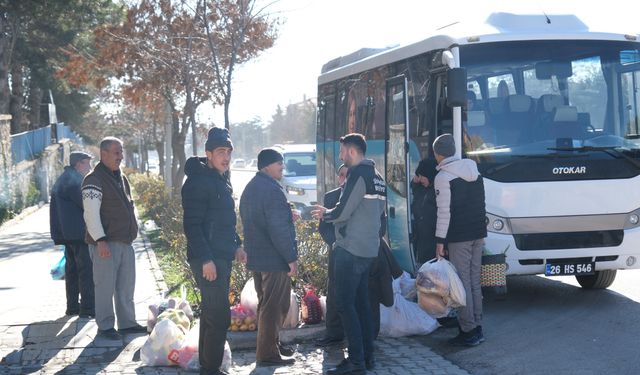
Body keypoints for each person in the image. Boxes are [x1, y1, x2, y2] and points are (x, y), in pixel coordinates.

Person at [312, 133, 387, 375]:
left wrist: (325, 213)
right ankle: (368, 358)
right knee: (361, 305)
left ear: (352, 152)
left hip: (351, 249)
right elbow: (377, 214)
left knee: (345, 303)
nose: (341, 155)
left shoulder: (358, 174)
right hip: (368, 250)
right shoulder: (377, 177)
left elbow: (343, 211)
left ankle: (356, 362)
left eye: (343, 151)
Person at [182, 127, 246, 375]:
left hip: (221, 255)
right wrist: (206, 259)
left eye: (229, 151)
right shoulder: (197, 182)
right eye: (221, 151)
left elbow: (225, 220)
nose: (226, 156)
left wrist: (237, 245)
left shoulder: (221, 179)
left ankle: (207, 367)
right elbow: (192, 226)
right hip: (207, 258)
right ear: (208, 154)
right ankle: (210, 368)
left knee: (211, 312)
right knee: (219, 316)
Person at [82, 137, 146, 341]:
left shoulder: (121, 177)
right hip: (105, 244)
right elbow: (91, 214)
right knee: (104, 286)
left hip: (124, 242)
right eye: (116, 152)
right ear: (104, 154)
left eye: (121, 151)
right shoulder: (93, 179)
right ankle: (106, 326)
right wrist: (100, 240)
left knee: (126, 287)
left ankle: (127, 323)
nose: (121, 156)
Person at [240, 147, 298, 368]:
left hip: (259, 256)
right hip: (274, 259)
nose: (282, 166)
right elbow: (277, 229)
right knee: (275, 306)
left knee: (267, 305)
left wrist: (286, 214)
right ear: (266, 166)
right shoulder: (271, 190)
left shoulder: (252, 187)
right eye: (278, 162)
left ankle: (270, 346)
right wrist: (290, 258)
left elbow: (260, 220)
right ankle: (267, 355)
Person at [432, 133, 487, 347]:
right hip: (478, 233)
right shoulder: (475, 171)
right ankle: (477, 325)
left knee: (461, 285)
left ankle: (468, 330)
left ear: (437, 154)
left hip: (459, 237)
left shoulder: (443, 177)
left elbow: (444, 213)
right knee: (474, 281)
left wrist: (439, 241)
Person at [50, 151, 95, 318]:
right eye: (87, 163)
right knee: (85, 271)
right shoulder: (73, 181)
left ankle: (73, 307)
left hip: (68, 233)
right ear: (79, 164)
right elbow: (87, 204)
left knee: (72, 271)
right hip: (78, 234)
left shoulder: (66, 177)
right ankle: (88, 309)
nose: (90, 167)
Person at [316, 164, 348, 347]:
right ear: (338, 177)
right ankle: (334, 333)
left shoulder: (359, 195)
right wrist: (334, 243)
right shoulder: (331, 197)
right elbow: (324, 227)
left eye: (347, 175)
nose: (344, 178)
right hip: (336, 251)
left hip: (356, 252)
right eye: (341, 175)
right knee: (334, 292)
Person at [410, 158, 438, 264]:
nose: (420, 179)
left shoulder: (436, 190)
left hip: (432, 238)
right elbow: (414, 188)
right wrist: (415, 180)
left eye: (422, 176)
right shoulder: (422, 188)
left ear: (429, 175)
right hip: (421, 236)